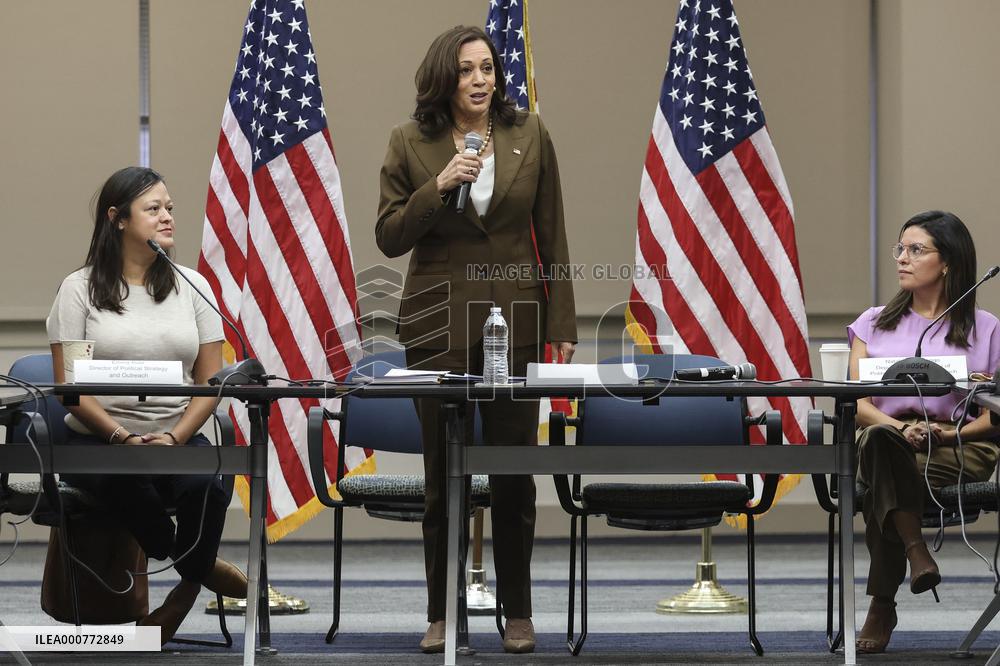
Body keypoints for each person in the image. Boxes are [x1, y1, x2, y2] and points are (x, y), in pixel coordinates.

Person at [375, 25, 577, 654]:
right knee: (445, 477)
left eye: (487, 68)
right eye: (466, 70)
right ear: (445, 78)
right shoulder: (411, 141)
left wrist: (561, 326)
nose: (480, 80)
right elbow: (388, 236)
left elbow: (554, 235)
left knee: (515, 476)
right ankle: (443, 612)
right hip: (439, 327)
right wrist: (438, 186)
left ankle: (519, 611)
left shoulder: (530, 134)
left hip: (517, 324)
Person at [46, 167, 248, 644]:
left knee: (208, 486)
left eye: (170, 208)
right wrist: (122, 435)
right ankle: (196, 561)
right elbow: (72, 390)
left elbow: (210, 383)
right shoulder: (79, 289)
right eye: (153, 209)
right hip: (97, 439)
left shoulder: (191, 286)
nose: (167, 217)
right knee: (129, 481)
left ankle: (183, 592)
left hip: (174, 434)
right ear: (116, 219)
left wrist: (176, 437)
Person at [847, 210, 1000, 653]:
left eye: (916, 250)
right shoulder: (873, 322)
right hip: (884, 437)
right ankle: (916, 552)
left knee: (882, 477)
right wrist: (902, 429)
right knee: (881, 445)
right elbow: (857, 405)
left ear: (948, 261)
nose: (902, 259)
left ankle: (881, 604)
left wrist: (946, 436)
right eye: (900, 248)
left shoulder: (987, 329)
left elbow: (997, 417)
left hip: (958, 445)